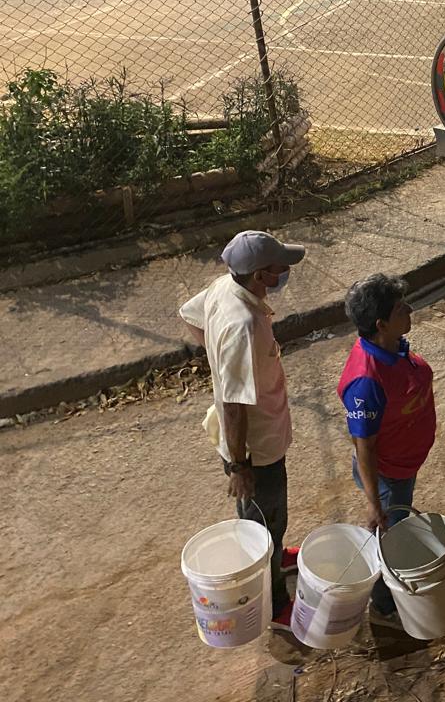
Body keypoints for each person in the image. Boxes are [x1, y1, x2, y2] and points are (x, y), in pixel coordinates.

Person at [179, 230, 305, 630]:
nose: (285, 271)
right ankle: (274, 603)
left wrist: (220, 363)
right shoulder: (242, 325)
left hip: (261, 442)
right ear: (259, 276)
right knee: (260, 523)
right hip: (255, 451)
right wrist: (239, 467)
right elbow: (233, 407)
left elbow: (189, 315)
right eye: (279, 267)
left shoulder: (223, 287)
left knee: (268, 518)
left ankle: (277, 553)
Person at [337, 274, 436, 626]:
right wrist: (375, 503)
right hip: (389, 474)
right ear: (381, 324)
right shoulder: (366, 382)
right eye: (399, 309)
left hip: (404, 465)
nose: (409, 309)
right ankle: (383, 607)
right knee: (389, 537)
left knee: (395, 529)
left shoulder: (394, 346)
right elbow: (365, 448)